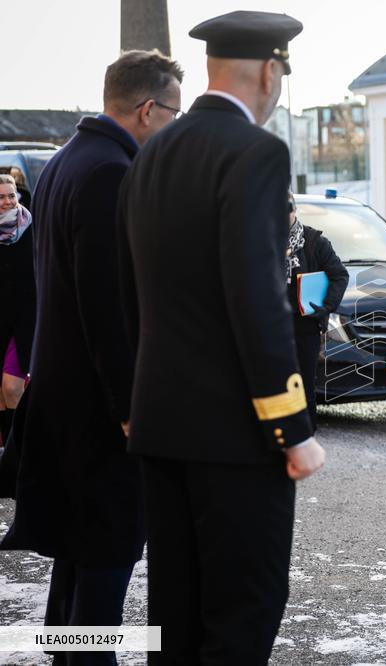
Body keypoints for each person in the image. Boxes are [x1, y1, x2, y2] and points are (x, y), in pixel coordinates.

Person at [117, 11, 325, 664]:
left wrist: (133, 406)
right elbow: (257, 299)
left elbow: (128, 294)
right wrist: (291, 428)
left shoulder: (151, 155)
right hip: (235, 438)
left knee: (174, 620)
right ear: (271, 71)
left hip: (162, 428)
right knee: (242, 615)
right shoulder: (256, 153)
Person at [0, 50, 183, 665]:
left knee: (78, 562)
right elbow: (109, 309)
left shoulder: (64, 162)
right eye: (174, 114)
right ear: (148, 108)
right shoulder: (111, 171)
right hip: (102, 414)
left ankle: (63, 655)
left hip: (65, 400)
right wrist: (133, 409)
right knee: (106, 566)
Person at [286, 192, 349, 429]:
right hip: (272, 326)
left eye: (287, 208)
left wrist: (327, 307)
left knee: (303, 386)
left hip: (305, 325)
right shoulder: (263, 241)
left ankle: (305, 436)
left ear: (294, 209)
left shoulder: (314, 242)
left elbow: (339, 275)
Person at [0, 174, 34, 446]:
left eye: (11, 195)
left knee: (13, 387)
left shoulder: (31, 227)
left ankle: (18, 454)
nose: (7, 201)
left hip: (25, 319)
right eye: (1, 197)